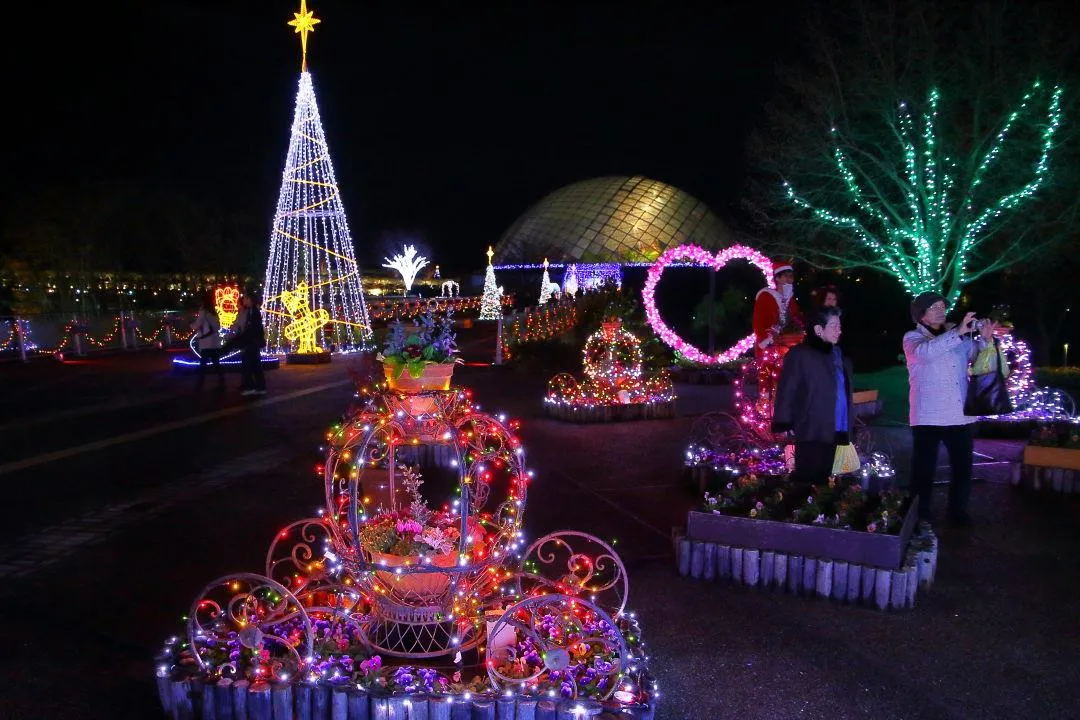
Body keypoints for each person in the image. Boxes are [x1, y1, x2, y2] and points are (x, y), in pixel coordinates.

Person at [904, 292, 996, 528]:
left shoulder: (959, 336)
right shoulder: (912, 337)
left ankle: (958, 510)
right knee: (923, 470)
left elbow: (976, 359)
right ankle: (920, 512)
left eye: (941, 306)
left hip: (959, 415)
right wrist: (957, 332)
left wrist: (985, 340)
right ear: (921, 314)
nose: (939, 310)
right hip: (928, 416)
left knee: (963, 468)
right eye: (933, 307)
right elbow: (926, 354)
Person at [771, 306, 854, 485]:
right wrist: (784, 421)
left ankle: (820, 510)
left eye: (839, 325)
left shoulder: (838, 355)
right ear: (818, 329)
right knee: (807, 480)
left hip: (834, 428)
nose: (839, 330)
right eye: (833, 326)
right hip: (810, 428)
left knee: (825, 480)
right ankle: (801, 509)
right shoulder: (801, 354)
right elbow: (787, 389)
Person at [753, 259, 804, 358]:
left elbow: (796, 320)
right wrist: (767, 339)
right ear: (777, 278)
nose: (790, 280)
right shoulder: (766, 296)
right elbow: (758, 322)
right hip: (769, 347)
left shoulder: (791, 300)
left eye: (791, 276)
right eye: (786, 276)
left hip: (788, 346)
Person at [231, 292, 266, 396]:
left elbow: (253, 328)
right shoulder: (252, 311)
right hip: (252, 341)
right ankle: (259, 387)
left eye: (246, 299)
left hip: (251, 341)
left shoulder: (253, 312)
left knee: (248, 365)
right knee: (255, 365)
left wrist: (246, 337)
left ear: (250, 300)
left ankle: (251, 387)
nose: (244, 301)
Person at [190, 296, 224, 388]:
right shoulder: (214, 312)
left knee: (203, 364)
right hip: (215, 342)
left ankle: (200, 384)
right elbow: (218, 326)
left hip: (206, 343)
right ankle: (222, 382)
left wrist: (191, 326)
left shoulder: (203, 312)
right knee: (216, 363)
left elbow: (197, 324)